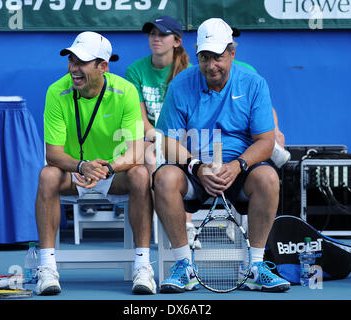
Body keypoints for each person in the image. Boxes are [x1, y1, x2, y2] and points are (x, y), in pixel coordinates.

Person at [153, 18, 291, 293]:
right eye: (204, 58)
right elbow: (166, 140)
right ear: (198, 57)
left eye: (217, 57)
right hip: (195, 173)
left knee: (267, 177)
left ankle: (256, 267)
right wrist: (197, 167)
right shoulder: (181, 84)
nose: (211, 65)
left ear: (232, 53)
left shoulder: (253, 83)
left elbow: (265, 142)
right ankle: (184, 267)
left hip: (240, 172)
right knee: (165, 177)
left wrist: (237, 166)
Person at [36, 31, 156, 295]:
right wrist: (83, 166)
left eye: (81, 62)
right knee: (47, 175)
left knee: (140, 175)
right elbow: (54, 153)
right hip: (75, 173)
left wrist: (106, 169)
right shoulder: (57, 91)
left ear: (103, 66)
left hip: (113, 174)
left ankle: (143, 266)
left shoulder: (125, 91)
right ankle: (46, 268)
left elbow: (135, 152)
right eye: (71, 61)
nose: (73, 69)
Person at [125, 16, 201, 248]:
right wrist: (160, 139)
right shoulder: (136, 70)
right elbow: (141, 122)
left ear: (177, 41)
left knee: (179, 153)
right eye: (152, 34)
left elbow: (193, 119)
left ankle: (185, 225)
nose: (156, 39)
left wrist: (172, 142)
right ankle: (172, 227)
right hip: (151, 137)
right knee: (150, 156)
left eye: (163, 34)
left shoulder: (189, 71)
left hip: (184, 137)